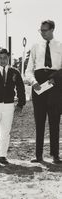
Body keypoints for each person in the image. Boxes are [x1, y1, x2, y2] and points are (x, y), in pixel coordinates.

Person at [25, 20, 62, 164]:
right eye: (40, 30)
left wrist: (56, 78)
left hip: (55, 86)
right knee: (39, 121)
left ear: (52, 29)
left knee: (54, 121)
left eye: (45, 30)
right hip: (39, 85)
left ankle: (55, 155)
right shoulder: (35, 46)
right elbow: (28, 70)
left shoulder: (60, 45)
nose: (42, 33)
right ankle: (38, 155)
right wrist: (33, 82)